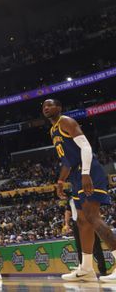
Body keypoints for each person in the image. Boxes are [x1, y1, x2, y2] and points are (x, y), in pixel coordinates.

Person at [44, 98, 116, 281]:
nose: (46, 108)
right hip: (75, 175)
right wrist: (61, 180)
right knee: (82, 222)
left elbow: (85, 146)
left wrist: (85, 173)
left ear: (59, 108)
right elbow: (67, 161)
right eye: (43, 106)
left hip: (88, 170)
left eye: (50, 105)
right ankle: (86, 268)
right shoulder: (52, 131)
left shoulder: (66, 122)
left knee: (93, 217)